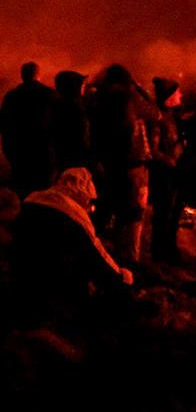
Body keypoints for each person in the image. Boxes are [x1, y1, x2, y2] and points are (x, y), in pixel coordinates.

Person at [8, 167, 135, 330]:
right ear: (83, 192)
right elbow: (96, 256)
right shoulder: (73, 215)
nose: (90, 207)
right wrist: (120, 277)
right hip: (53, 292)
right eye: (89, 201)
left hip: (21, 281)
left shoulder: (32, 201)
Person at [87, 64, 158, 266]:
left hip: (109, 165)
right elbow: (155, 113)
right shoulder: (131, 98)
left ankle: (103, 258)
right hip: (133, 166)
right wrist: (139, 87)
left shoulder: (98, 99)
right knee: (134, 215)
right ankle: (129, 262)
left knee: (110, 210)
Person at [0, 62, 56, 196]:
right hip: (43, 151)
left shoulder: (11, 96)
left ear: (22, 75)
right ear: (39, 75)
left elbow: (4, 123)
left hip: (19, 151)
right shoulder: (50, 94)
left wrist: (10, 150)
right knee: (43, 192)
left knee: (21, 189)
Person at [147, 78, 185, 264]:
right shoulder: (158, 119)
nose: (181, 95)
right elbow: (153, 150)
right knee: (164, 214)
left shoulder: (173, 117)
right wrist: (171, 162)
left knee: (173, 213)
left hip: (175, 174)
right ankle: (160, 251)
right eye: (178, 92)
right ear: (169, 96)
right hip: (164, 175)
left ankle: (170, 249)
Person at [51, 70, 91, 172]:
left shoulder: (55, 105)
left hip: (61, 159)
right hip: (78, 162)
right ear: (74, 88)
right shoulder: (77, 109)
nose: (84, 88)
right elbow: (83, 138)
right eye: (82, 86)